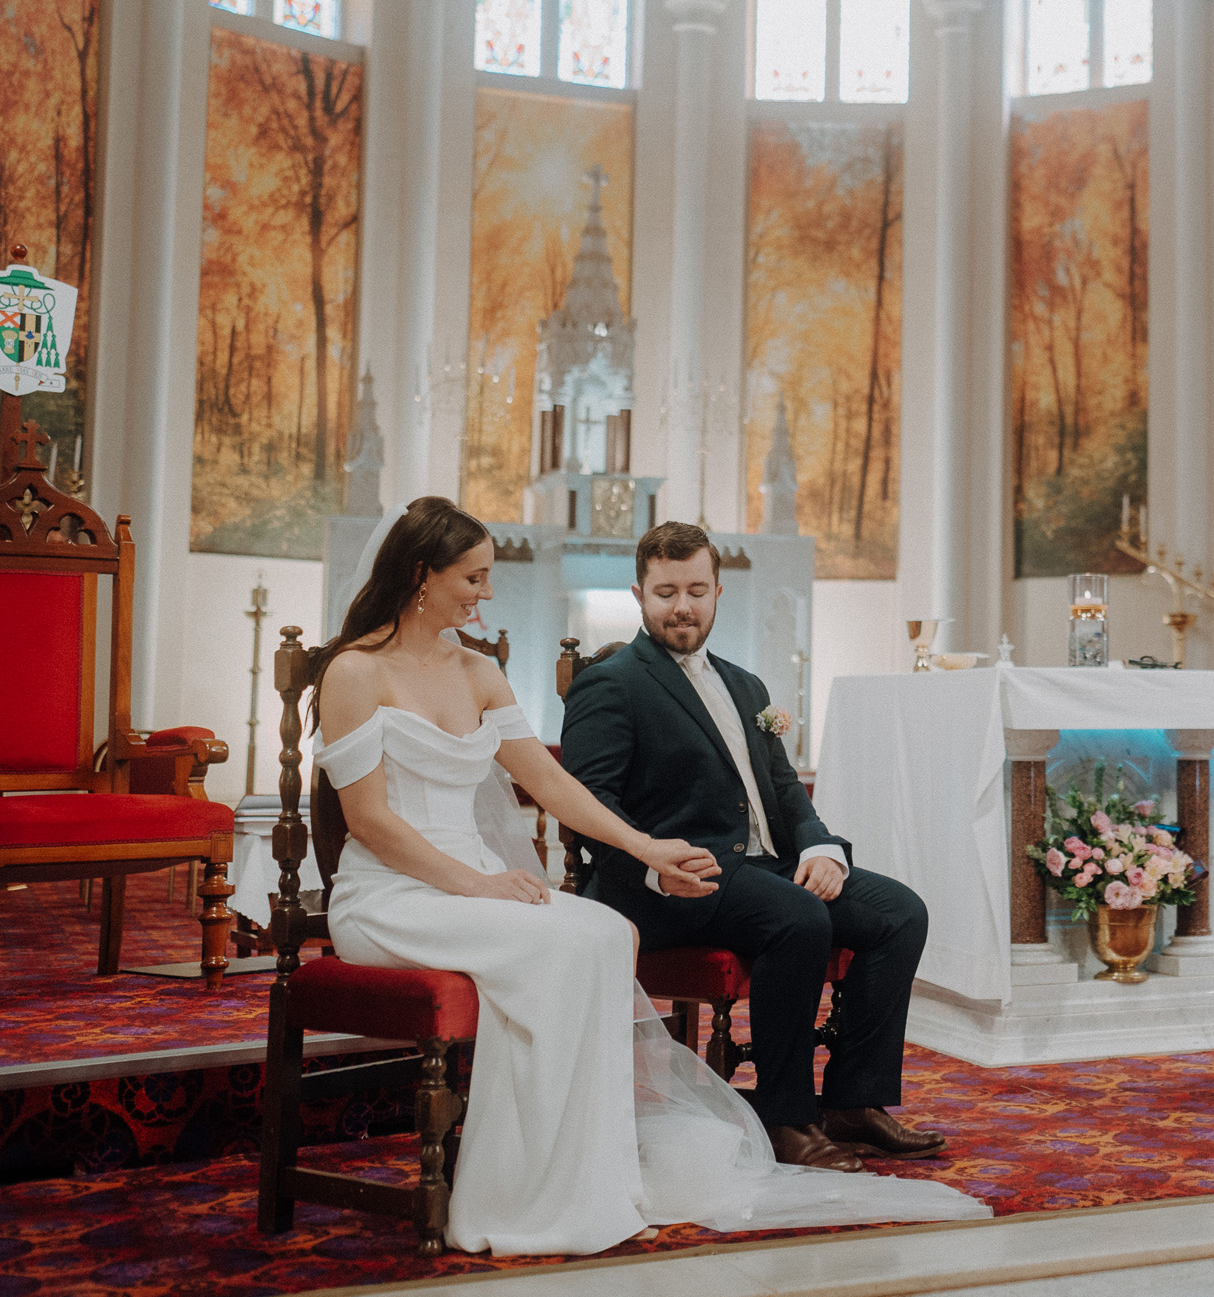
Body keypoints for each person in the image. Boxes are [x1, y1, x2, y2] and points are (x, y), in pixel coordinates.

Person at [312, 498, 987, 1255]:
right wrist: (489, 882)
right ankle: (528, 1176)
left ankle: (581, 1166)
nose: (487, 593)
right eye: (474, 577)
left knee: (603, 933)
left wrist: (650, 846)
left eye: (488, 576)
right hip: (395, 893)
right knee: (585, 939)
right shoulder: (354, 672)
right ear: (420, 577)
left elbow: (555, 784)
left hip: (484, 883)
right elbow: (369, 822)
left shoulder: (478, 670)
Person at [562, 522, 945, 1173]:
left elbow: (783, 788)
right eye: (665, 592)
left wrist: (821, 848)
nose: (681, 605)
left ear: (717, 592)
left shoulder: (746, 686)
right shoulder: (612, 683)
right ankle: (784, 1117)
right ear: (639, 594)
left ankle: (854, 1101)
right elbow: (591, 802)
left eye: (695, 589)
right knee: (799, 917)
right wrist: (656, 867)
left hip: (760, 868)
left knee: (899, 912)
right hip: (667, 880)